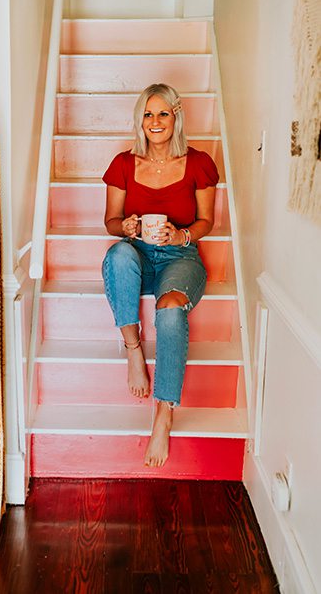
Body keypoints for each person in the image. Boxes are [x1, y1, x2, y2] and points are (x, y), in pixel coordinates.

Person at [101, 83, 219, 468]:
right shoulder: (123, 163)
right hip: (138, 254)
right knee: (118, 254)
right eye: (148, 114)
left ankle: (164, 413)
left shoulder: (199, 162)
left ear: (176, 117)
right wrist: (128, 227)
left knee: (170, 308)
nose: (155, 122)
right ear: (141, 120)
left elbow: (206, 221)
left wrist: (181, 234)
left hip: (180, 256)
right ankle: (134, 351)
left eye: (163, 113)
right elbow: (110, 222)